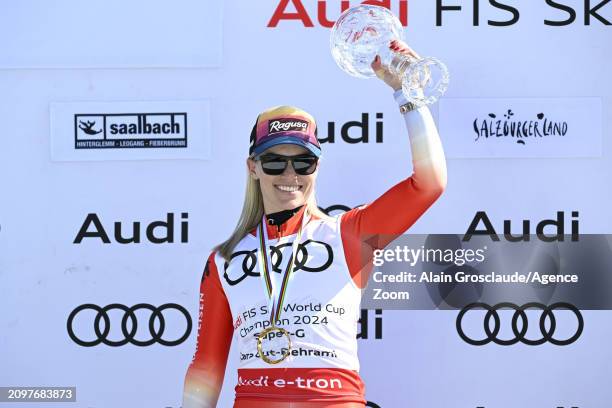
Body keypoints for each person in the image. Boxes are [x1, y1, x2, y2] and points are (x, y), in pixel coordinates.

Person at [182, 39, 447, 408]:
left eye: (302, 162)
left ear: (317, 167)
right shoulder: (223, 261)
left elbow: (429, 184)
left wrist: (408, 93)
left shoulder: (348, 234)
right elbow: (206, 368)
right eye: (274, 161)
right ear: (253, 168)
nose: (289, 174)